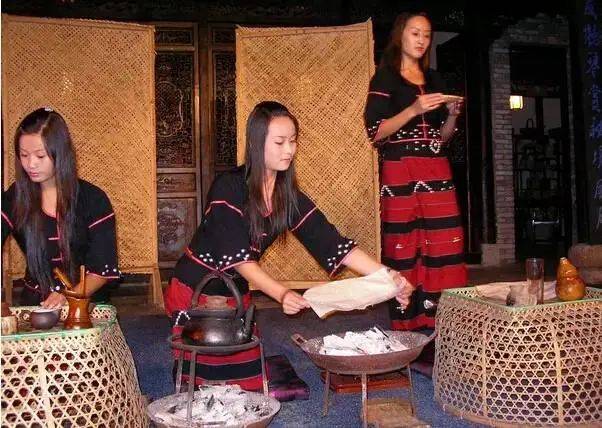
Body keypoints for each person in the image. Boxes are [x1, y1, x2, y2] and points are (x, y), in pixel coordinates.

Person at [164, 101, 414, 390]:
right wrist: (281, 293)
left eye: (293, 141)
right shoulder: (228, 187)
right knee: (206, 384)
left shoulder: (288, 196)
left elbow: (334, 244)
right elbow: (238, 260)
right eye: (280, 142)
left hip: (235, 294)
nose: (289, 150)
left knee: (247, 383)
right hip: (194, 290)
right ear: (257, 143)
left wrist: (389, 276)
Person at [364, 12, 467, 331]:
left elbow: (442, 137)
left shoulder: (435, 80)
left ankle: (443, 320)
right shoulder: (385, 78)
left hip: (436, 167)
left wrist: (452, 115)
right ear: (401, 35)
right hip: (401, 169)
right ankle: (406, 322)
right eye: (415, 33)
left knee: (444, 241)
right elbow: (375, 132)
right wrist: (413, 109)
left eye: (426, 34)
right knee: (404, 242)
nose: (422, 40)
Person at [1, 108, 119, 308]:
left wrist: (67, 296)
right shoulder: (15, 196)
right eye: (24, 155)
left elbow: (102, 269)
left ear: (61, 153)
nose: (31, 164)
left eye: (40, 156)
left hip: (86, 304)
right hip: (36, 304)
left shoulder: (93, 199)